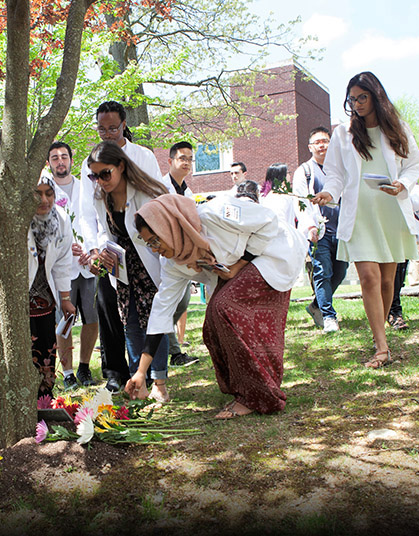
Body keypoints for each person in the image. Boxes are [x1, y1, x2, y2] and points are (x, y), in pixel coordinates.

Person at [126, 184, 307, 418]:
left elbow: (268, 221)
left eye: (155, 240)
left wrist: (239, 266)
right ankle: (244, 390)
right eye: (148, 243)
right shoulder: (172, 263)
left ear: (169, 226)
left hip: (275, 251)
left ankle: (257, 395)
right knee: (211, 325)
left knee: (224, 308)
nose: (154, 249)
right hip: (241, 267)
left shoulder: (216, 211)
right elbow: (161, 311)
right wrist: (141, 372)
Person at [313, 72, 419, 369]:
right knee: (369, 278)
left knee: (388, 280)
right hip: (358, 213)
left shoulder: (397, 127)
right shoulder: (343, 132)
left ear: (376, 96)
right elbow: (335, 173)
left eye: (362, 97)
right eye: (352, 99)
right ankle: (381, 347)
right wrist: (327, 192)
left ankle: (380, 334)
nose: (357, 104)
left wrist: (402, 184)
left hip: (390, 211)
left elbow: (414, 165)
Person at [78, 101, 166, 393]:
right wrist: (96, 249)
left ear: (124, 125)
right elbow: (89, 217)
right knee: (125, 315)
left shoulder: (143, 158)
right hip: (114, 254)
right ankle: (131, 375)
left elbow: (157, 206)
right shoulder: (92, 170)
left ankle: (158, 377)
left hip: (148, 251)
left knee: (152, 314)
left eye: (112, 128)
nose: (107, 133)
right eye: (101, 128)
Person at [46, 141, 99, 388]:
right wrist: (66, 247)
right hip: (61, 267)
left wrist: (90, 249)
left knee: (91, 317)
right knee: (65, 320)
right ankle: (67, 373)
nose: (60, 161)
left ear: (70, 159)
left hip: (88, 264)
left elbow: (94, 220)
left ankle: (85, 367)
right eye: (55, 158)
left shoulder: (84, 187)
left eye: (64, 156)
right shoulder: (46, 192)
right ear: (49, 163)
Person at [293, 127, 348, 334]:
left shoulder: (339, 170)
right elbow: (300, 202)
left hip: (341, 230)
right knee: (323, 271)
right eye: (317, 142)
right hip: (318, 231)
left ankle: (316, 305)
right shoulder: (304, 171)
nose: (322, 145)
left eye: (326, 141)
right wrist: (310, 226)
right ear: (310, 147)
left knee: (340, 271)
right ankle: (329, 316)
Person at [29, 177, 76, 396]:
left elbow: (63, 261)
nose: (44, 199)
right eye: (37, 194)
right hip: (20, 294)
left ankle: (45, 399)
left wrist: (65, 297)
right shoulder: (18, 220)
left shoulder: (62, 219)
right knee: (25, 348)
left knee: (47, 346)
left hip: (45, 295)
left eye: (49, 193)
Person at [163, 141, 198, 367]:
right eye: (181, 158)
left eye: (189, 159)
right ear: (170, 161)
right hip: (165, 252)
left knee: (183, 301)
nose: (186, 163)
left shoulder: (188, 191)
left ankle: (163, 342)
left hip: (184, 254)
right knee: (169, 303)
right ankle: (174, 352)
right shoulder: (161, 187)